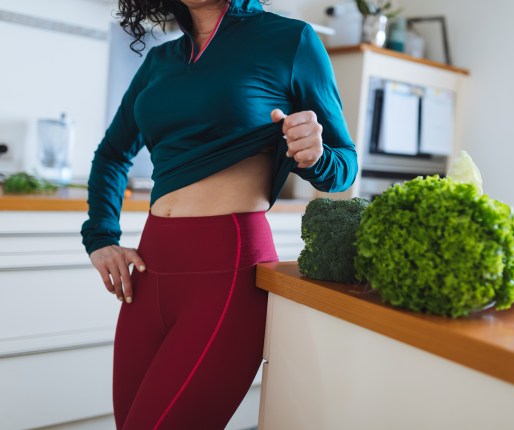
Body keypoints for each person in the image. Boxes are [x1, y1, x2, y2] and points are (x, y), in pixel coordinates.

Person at [80, 0, 358, 428]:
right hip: (149, 275)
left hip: (226, 273)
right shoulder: (161, 59)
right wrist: (100, 238)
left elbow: (344, 166)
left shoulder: (290, 41)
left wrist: (317, 154)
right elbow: (113, 154)